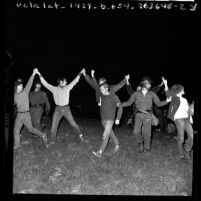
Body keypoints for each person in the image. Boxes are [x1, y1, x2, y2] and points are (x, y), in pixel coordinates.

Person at [83, 70, 129, 157]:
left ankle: (99, 152)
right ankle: (117, 144)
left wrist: (125, 79)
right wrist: (89, 75)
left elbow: (119, 86)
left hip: (110, 118)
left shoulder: (113, 94)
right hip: (103, 117)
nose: (100, 88)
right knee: (110, 132)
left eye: (102, 84)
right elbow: (93, 84)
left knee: (106, 135)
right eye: (100, 85)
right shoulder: (101, 91)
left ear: (106, 85)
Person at [122, 76, 171, 153]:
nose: (150, 85)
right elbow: (128, 102)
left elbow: (158, 103)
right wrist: (119, 104)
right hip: (138, 115)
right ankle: (140, 142)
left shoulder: (151, 93)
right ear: (144, 84)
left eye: (150, 84)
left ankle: (147, 147)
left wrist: (166, 101)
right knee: (136, 132)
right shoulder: (136, 94)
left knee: (147, 133)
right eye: (148, 84)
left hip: (148, 115)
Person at [36, 68, 86, 143]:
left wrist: (80, 73)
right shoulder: (54, 89)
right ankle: (52, 141)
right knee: (53, 127)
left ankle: (80, 135)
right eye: (65, 81)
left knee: (73, 124)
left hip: (66, 109)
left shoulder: (67, 87)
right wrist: (39, 74)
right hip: (58, 110)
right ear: (61, 82)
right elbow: (45, 84)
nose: (67, 82)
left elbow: (75, 81)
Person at [14, 69, 48, 149]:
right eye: (20, 85)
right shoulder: (14, 95)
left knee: (31, 129)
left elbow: (29, 82)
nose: (21, 86)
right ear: (16, 87)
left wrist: (33, 74)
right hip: (19, 115)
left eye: (22, 85)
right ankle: (17, 144)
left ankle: (43, 134)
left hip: (26, 114)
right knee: (16, 130)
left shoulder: (25, 91)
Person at [163, 77, 194, 160]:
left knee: (191, 136)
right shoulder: (175, 97)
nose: (184, 90)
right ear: (179, 90)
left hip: (186, 119)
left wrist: (190, 117)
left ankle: (187, 150)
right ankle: (181, 155)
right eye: (183, 89)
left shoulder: (185, 99)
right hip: (179, 119)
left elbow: (188, 110)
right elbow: (168, 93)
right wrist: (165, 84)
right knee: (181, 138)